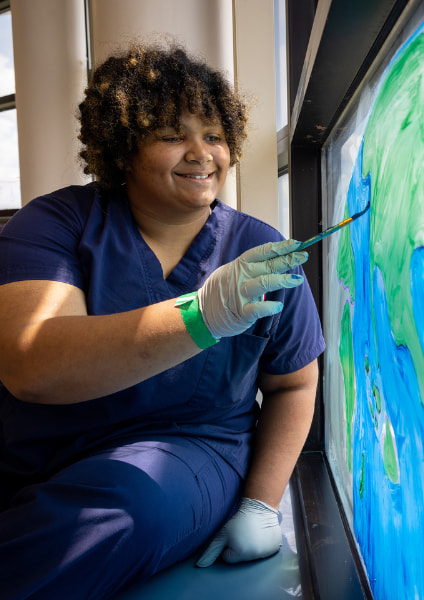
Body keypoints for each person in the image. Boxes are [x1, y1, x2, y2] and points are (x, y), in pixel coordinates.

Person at [0, 42, 325, 599]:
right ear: (123, 148)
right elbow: (32, 367)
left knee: (124, 510)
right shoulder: (53, 223)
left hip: (188, 449)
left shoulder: (259, 250)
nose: (202, 153)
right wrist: (203, 314)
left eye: (215, 135)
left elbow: (294, 380)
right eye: (174, 134)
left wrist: (261, 502)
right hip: (36, 452)